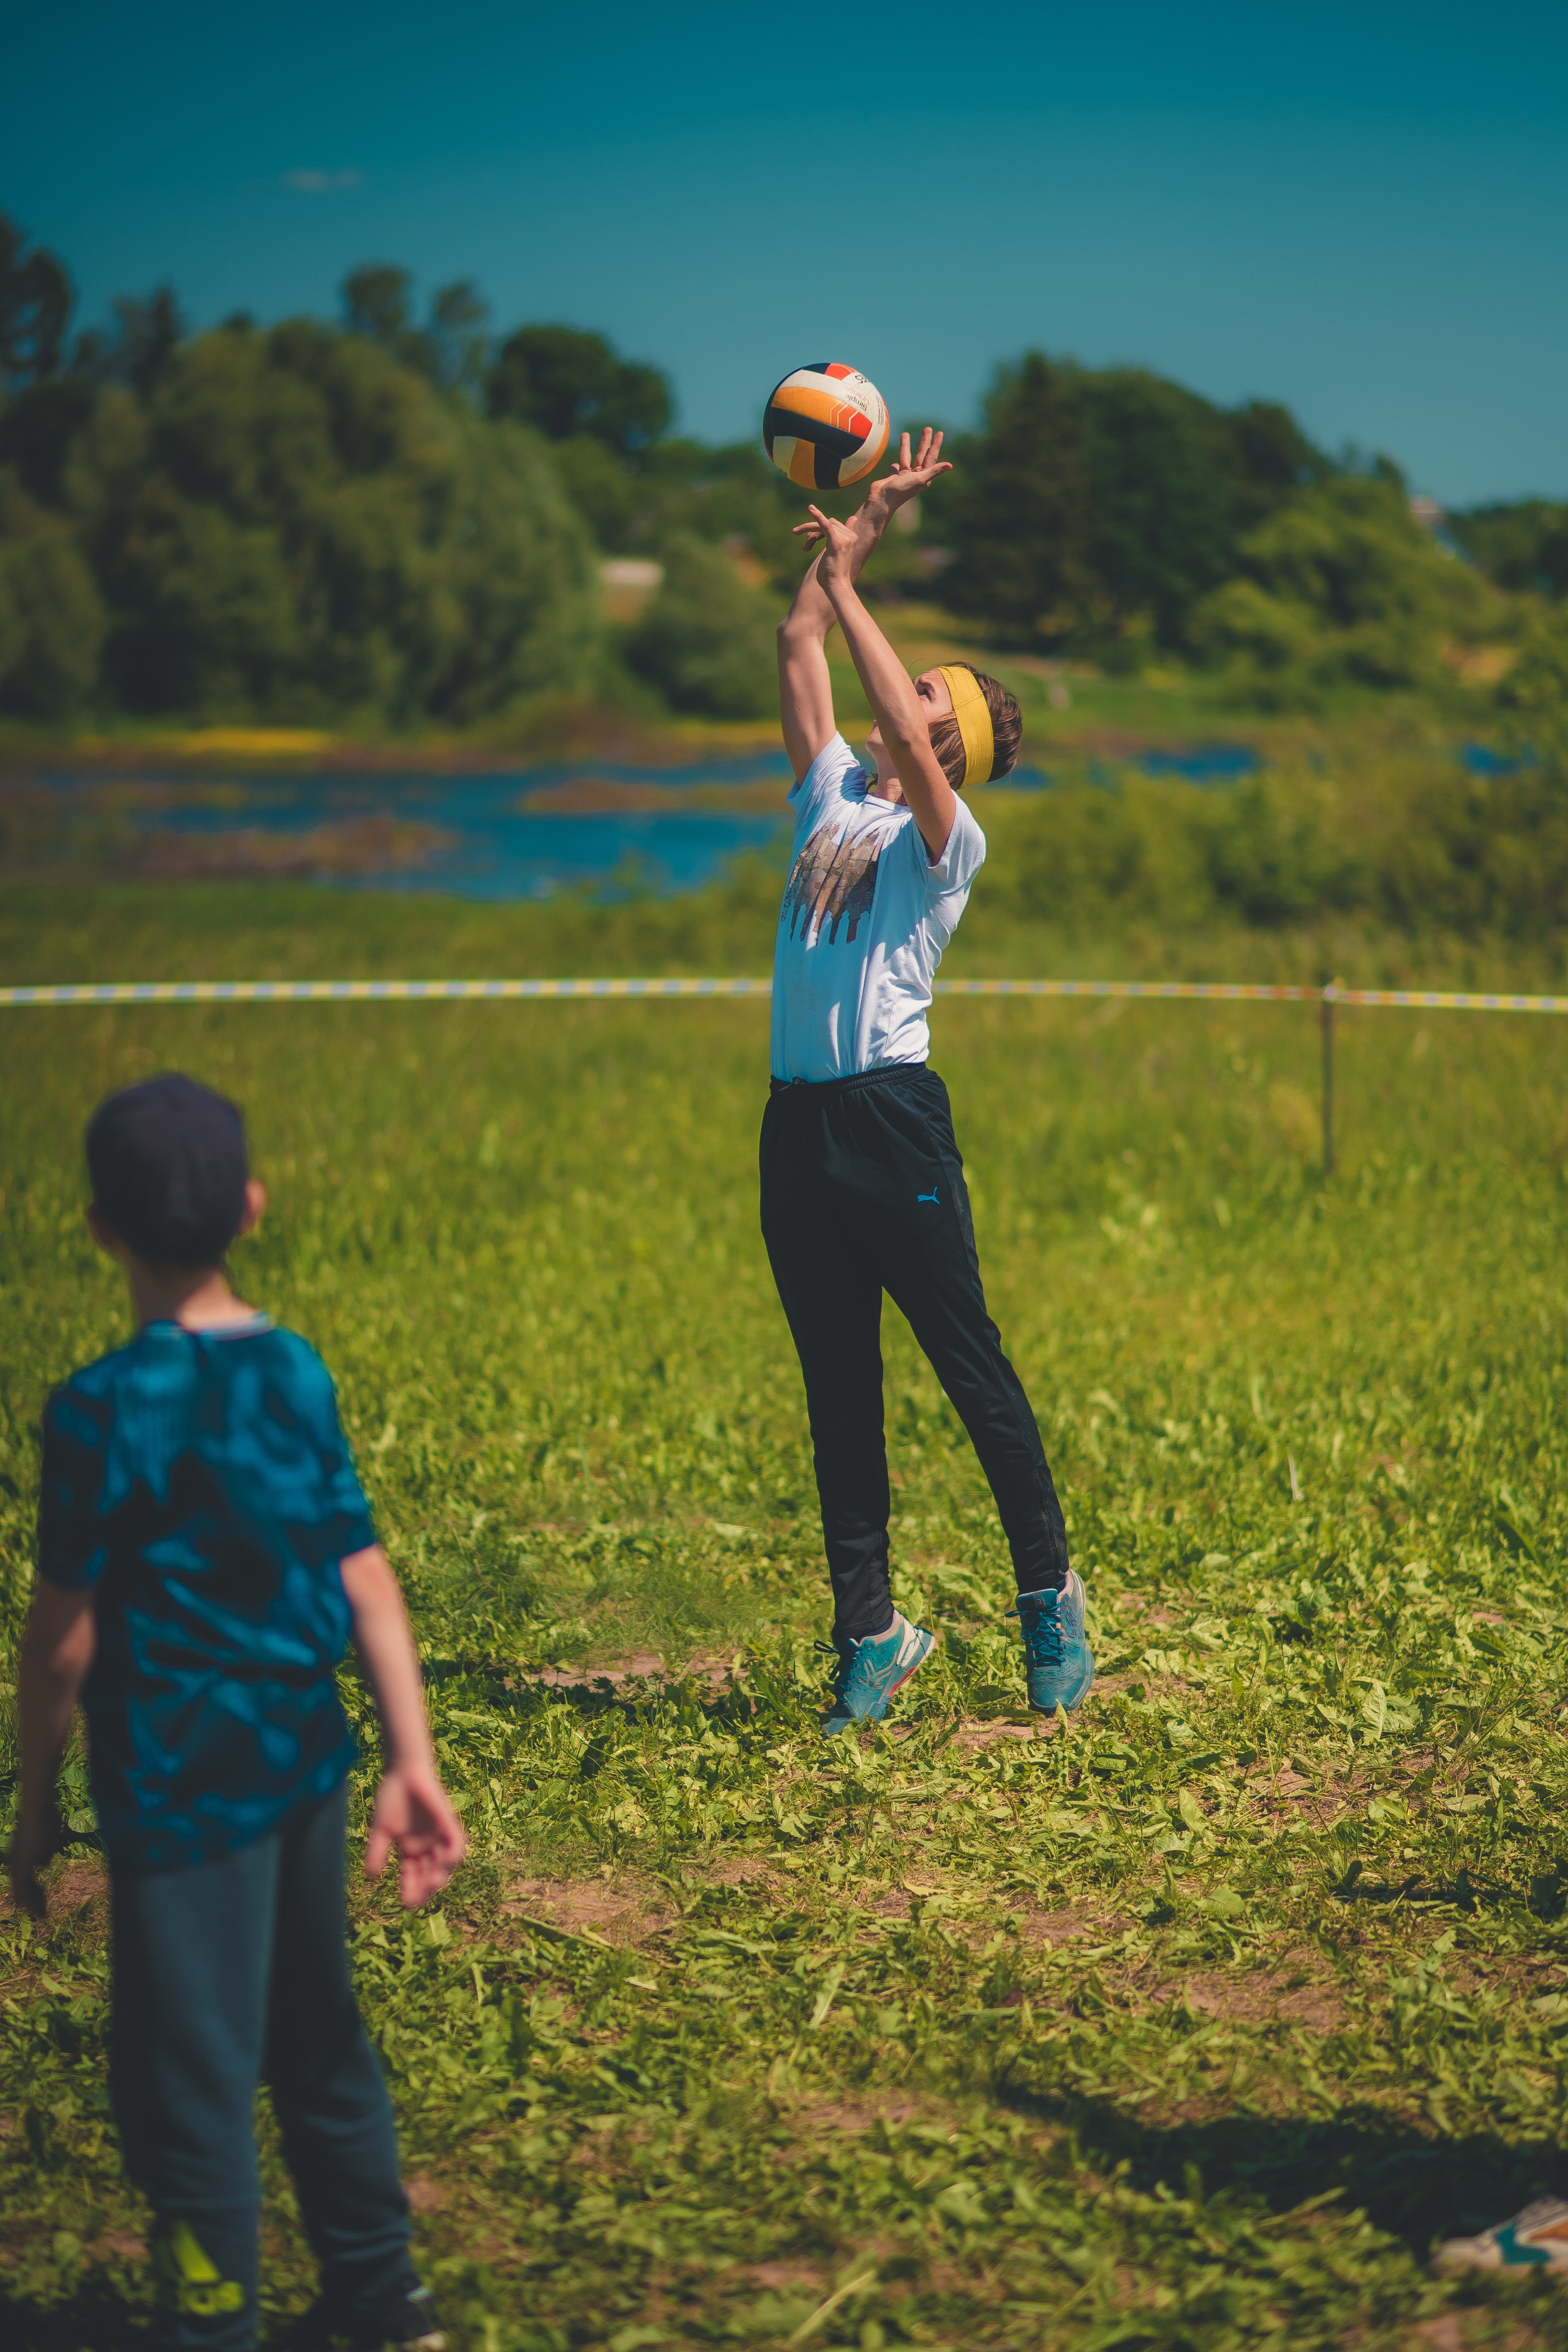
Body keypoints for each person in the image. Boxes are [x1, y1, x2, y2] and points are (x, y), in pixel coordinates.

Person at [8, 1072, 466, 2352]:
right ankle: (385, 2301)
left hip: (174, 1788)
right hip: (305, 1770)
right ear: (252, 1209)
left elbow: (64, 1644)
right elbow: (363, 1578)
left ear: (94, 1228)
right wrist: (409, 1760)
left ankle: (210, 2326)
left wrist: (34, 1811)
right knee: (317, 2040)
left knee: (189, 2077)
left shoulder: (96, 1409)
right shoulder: (293, 1374)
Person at [763, 432, 1093, 1736]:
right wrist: (857, 542)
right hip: (797, 1125)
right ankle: (871, 1637)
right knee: (836, 1388)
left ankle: (1046, 1597)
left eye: (922, 717)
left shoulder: (945, 845)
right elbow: (798, 656)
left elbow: (887, 703)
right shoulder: (833, 800)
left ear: (941, 744)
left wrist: (850, 585)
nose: (903, 723)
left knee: (968, 1370)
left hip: (890, 1120)